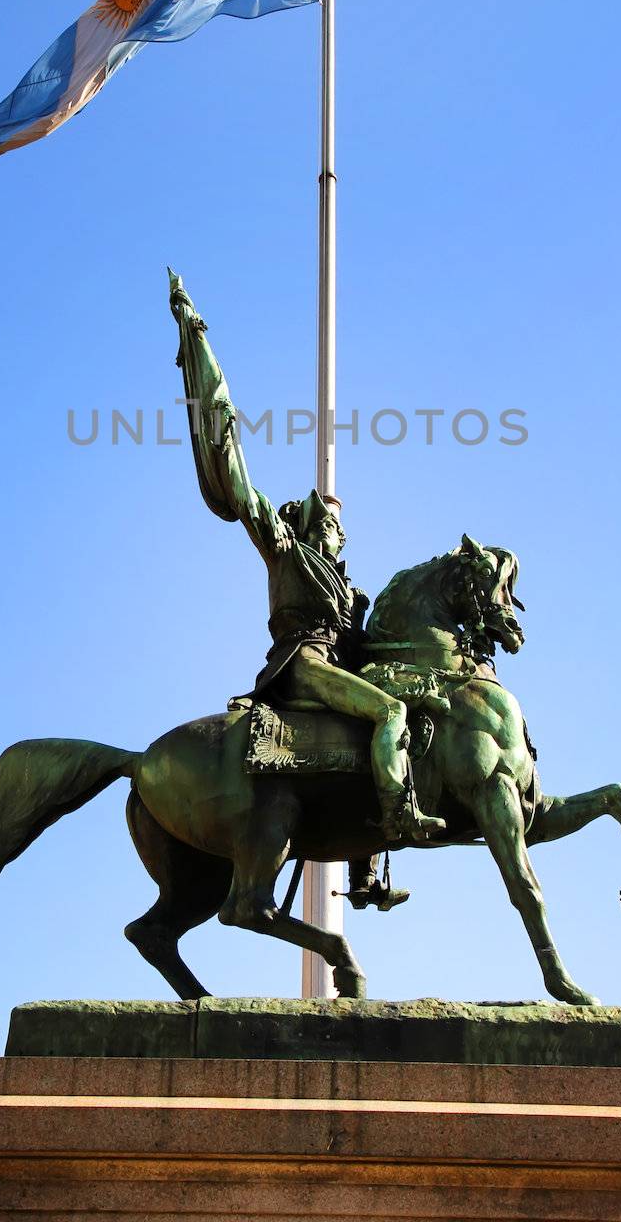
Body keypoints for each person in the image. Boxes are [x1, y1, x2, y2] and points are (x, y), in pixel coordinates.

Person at [169, 272, 445, 845]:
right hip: (302, 667)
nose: (337, 531)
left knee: (406, 718)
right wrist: (202, 360)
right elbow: (242, 493)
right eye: (329, 521)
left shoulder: (351, 589)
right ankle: (398, 818)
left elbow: (372, 647)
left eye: (340, 527)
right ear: (307, 522)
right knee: (388, 715)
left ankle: (368, 857)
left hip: (339, 669)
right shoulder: (285, 549)